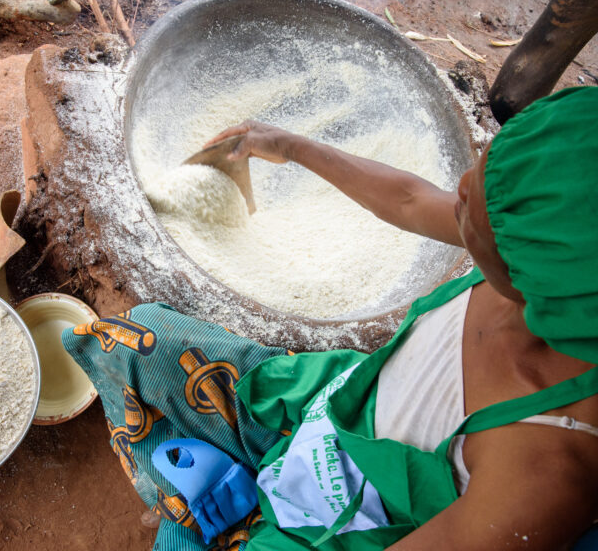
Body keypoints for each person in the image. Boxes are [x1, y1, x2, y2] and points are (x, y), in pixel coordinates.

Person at [61, 86, 598, 551]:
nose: (459, 191)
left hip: (339, 525)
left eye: (470, 216)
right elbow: (411, 199)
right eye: (482, 171)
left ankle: (236, 519)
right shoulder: (537, 243)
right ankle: (226, 495)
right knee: (136, 341)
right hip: (328, 404)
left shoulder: (542, 469)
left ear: (531, 276)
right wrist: (288, 145)